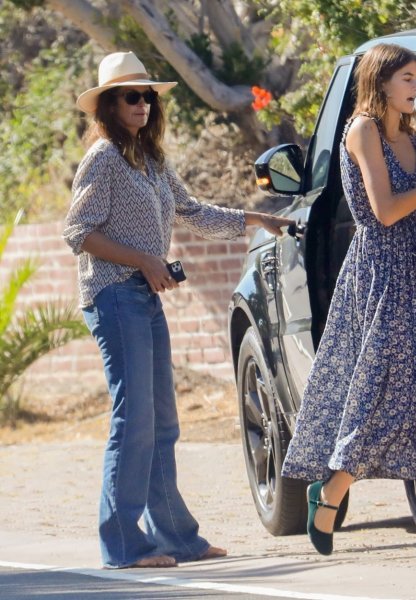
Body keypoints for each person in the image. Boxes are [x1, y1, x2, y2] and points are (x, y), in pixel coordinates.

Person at [63, 51, 293, 569]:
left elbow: (192, 213)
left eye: (147, 95)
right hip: (114, 295)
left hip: (143, 297)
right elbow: (77, 233)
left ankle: (175, 539)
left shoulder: (150, 159)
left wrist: (256, 218)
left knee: (163, 422)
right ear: (107, 105)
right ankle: (123, 544)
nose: (142, 104)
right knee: (134, 421)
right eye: (130, 96)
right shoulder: (102, 158)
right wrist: (145, 258)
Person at [281, 43, 416, 556]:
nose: (415, 85)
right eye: (407, 77)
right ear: (381, 81)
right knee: (381, 392)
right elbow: (385, 211)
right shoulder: (362, 131)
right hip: (380, 275)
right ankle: (329, 493)